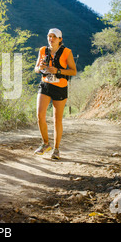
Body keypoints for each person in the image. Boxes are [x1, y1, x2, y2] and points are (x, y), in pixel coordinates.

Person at [34, 28, 77, 160]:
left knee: (56, 119)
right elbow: (36, 69)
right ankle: (45, 143)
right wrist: (40, 67)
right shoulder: (43, 50)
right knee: (40, 115)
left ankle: (56, 149)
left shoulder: (66, 52)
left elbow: (73, 71)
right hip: (46, 84)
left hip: (60, 87)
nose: (51, 39)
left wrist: (57, 70)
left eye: (54, 36)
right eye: (49, 36)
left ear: (60, 39)